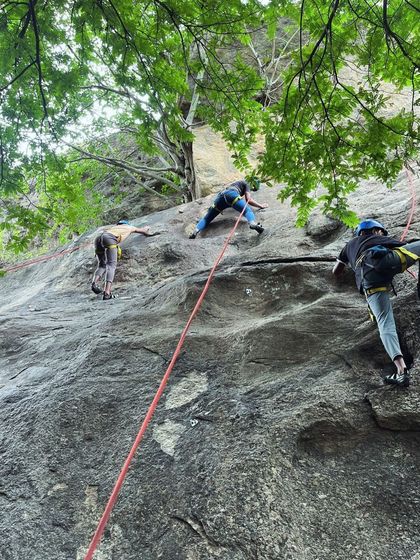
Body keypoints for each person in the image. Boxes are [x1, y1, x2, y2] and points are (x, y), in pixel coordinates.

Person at [332, 219, 420, 387]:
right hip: (385, 259)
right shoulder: (378, 238)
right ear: (375, 230)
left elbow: (336, 271)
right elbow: (407, 247)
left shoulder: (349, 245)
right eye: (380, 231)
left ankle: (401, 370)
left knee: (384, 323)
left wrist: (350, 260)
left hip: (369, 282)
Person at [91, 220, 155, 300]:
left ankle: (94, 284)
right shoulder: (129, 227)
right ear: (126, 224)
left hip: (99, 239)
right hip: (109, 239)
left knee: (102, 265)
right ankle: (107, 293)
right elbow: (143, 231)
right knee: (111, 265)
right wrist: (147, 228)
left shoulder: (113, 228)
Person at [189, 177, 268, 239]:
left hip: (220, 197)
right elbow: (248, 200)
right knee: (247, 210)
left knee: (207, 218)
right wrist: (261, 206)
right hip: (232, 196)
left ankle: (196, 230)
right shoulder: (246, 183)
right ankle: (252, 223)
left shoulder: (234, 184)